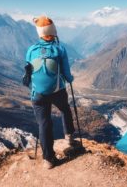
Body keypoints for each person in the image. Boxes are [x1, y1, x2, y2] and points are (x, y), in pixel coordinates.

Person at [23, 16, 75, 169]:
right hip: (57, 91)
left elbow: (28, 70)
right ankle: (70, 138)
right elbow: (66, 73)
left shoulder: (31, 50)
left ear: (39, 33)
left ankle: (48, 160)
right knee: (65, 109)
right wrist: (70, 79)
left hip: (37, 94)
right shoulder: (59, 49)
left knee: (44, 123)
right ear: (54, 31)